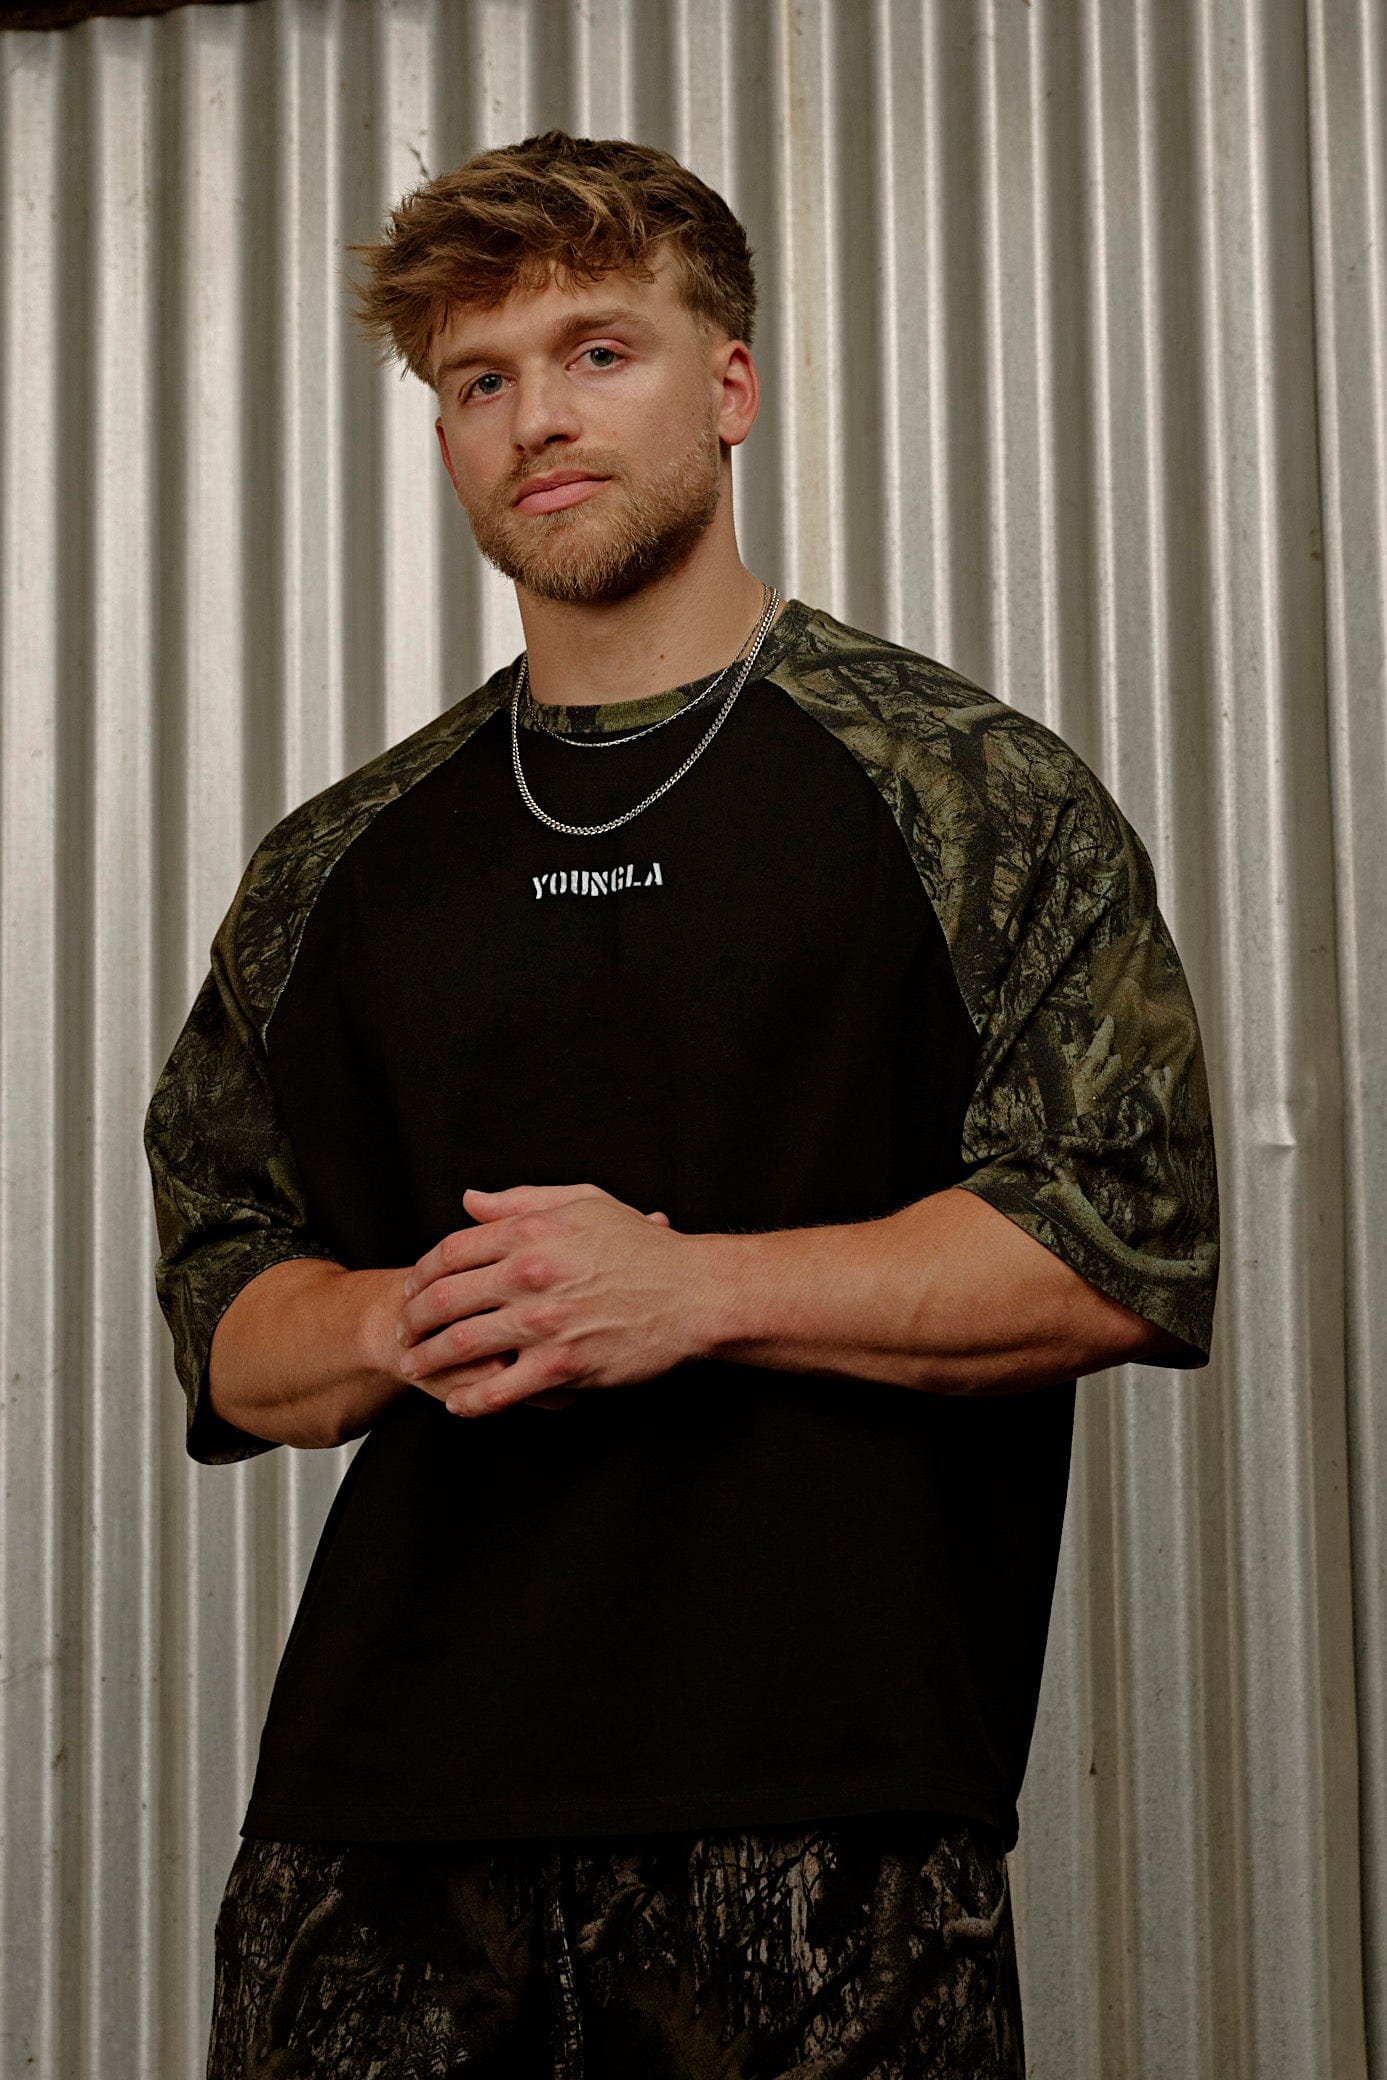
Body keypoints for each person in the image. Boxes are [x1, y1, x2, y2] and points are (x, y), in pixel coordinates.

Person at [143, 128, 1220, 2080]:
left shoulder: (969, 791)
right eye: (482, 380)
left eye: (596, 351)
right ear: (446, 436)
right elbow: (227, 1304)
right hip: (375, 1825)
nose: (538, 418)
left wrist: (691, 1290)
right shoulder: (340, 864)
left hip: (826, 1820)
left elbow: (1115, 1237)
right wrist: (398, 1317)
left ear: (730, 384)